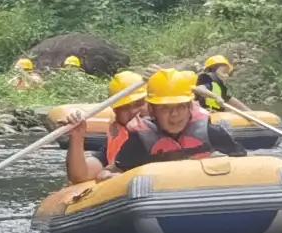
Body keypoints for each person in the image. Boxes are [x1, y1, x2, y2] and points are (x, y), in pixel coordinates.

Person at [65, 69, 246, 184]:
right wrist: (77, 136)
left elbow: (246, 165)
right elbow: (84, 176)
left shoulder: (208, 130)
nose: (174, 114)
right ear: (154, 110)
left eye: (138, 104)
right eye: (124, 108)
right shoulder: (137, 140)